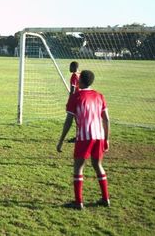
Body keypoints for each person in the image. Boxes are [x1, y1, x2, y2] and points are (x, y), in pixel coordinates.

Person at [56, 70, 110, 210]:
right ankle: (105, 199)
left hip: (84, 136)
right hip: (99, 136)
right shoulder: (99, 96)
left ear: (80, 81)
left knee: (78, 167)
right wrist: (107, 138)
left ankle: (78, 202)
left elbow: (68, 121)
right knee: (98, 165)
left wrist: (61, 140)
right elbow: (106, 119)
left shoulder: (76, 97)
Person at [67, 61, 80, 143]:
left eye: (70, 67)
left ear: (73, 67)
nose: (69, 68)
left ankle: (78, 138)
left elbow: (73, 89)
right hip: (82, 97)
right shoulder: (80, 73)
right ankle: (79, 136)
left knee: (76, 119)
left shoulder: (74, 75)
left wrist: (70, 100)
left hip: (76, 99)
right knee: (80, 119)